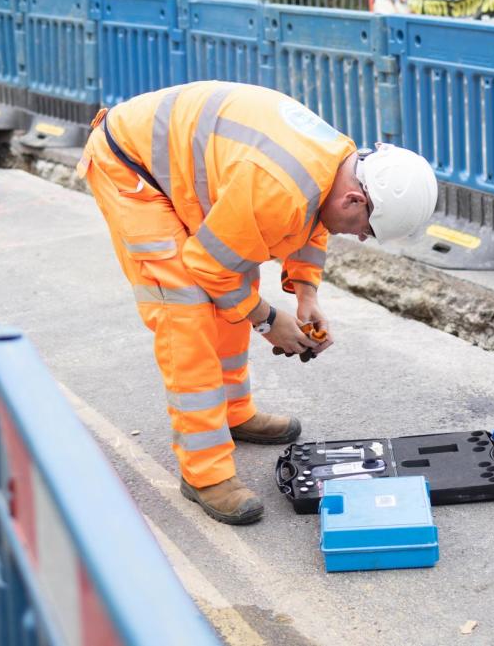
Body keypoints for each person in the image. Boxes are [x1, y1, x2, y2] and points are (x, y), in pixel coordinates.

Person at [77, 81, 438, 524]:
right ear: (355, 198)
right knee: (185, 314)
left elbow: (310, 220)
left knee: (237, 272)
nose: (360, 236)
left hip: (179, 167)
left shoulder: (337, 163)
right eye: (365, 228)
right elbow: (210, 267)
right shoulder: (280, 188)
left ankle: (232, 412)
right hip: (131, 170)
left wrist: (306, 294)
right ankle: (203, 473)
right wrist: (268, 322)